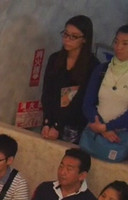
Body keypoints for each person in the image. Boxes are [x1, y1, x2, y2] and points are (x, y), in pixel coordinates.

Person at [41, 16, 97, 144]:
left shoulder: (92, 65)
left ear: (84, 39)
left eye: (74, 36)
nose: (67, 39)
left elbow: (80, 100)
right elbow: (47, 92)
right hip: (51, 120)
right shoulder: (55, 58)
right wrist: (47, 121)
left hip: (73, 124)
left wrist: (58, 125)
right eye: (65, 34)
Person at [82, 25, 128, 154]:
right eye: (116, 42)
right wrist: (102, 128)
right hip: (95, 131)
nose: (118, 47)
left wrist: (108, 127)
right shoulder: (102, 69)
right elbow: (88, 103)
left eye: (125, 44)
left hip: (121, 136)